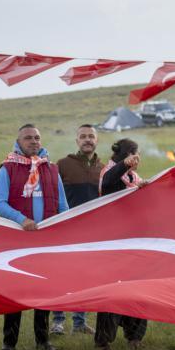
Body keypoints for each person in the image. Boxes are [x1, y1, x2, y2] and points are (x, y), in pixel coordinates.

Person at [0, 124, 70, 350]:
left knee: (44, 290)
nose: (33, 141)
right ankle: (9, 344)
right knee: (15, 291)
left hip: (46, 241)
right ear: (18, 141)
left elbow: (63, 206)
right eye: (28, 138)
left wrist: (65, 227)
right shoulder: (9, 168)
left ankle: (43, 340)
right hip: (17, 240)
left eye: (36, 138)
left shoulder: (51, 169)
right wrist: (21, 219)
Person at [95, 140, 149, 350]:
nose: (138, 159)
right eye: (135, 155)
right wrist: (124, 165)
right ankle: (103, 341)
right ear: (128, 155)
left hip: (135, 240)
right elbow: (107, 184)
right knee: (112, 292)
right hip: (114, 241)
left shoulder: (133, 177)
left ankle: (135, 335)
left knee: (138, 288)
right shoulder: (109, 172)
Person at [53, 124, 105, 336]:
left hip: (93, 232)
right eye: (83, 136)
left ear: (97, 140)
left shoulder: (103, 168)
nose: (87, 140)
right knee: (60, 275)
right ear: (77, 141)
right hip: (66, 228)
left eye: (91, 136)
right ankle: (57, 321)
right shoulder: (63, 165)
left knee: (84, 275)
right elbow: (54, 195)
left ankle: (79, 321)